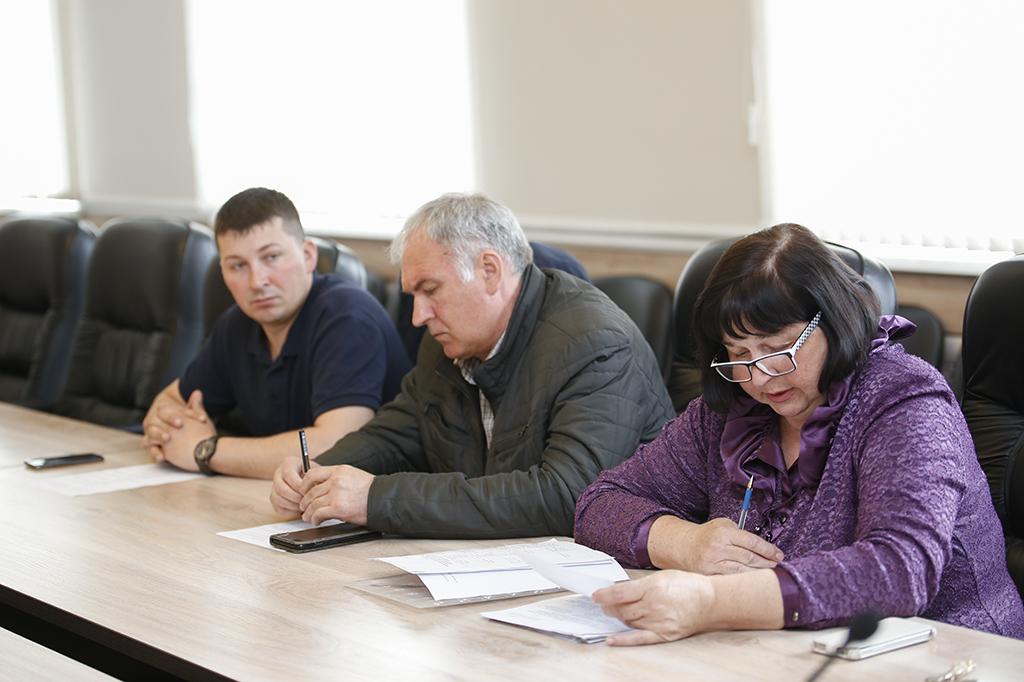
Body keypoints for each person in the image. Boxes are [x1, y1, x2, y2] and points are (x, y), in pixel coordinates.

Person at [575, 223, 1024, 644]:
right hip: (780, 649)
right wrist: (685, 543)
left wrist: (712, 602)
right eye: (739, 354)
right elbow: (600, 503)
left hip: (948, 651)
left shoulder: (904, 400)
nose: (761, 378)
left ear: (832, 321)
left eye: (776, 349)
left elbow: (898, 569)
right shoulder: (733, 409)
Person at [270, 192, 675, 537]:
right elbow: (397, 433)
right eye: (413, 296)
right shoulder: (448, 342)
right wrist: (320, 473)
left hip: (620, 572)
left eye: (430, 290)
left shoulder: (594, 343)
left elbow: (569, 496)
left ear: (489, 271)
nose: (418, 316)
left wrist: (376, 499)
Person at [142, 187, 411, 478]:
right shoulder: (236, 325)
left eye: (271, 257)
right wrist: (168, 431)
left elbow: (337, 447)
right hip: (282, 495)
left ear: (308, 256)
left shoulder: (348, 316)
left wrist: (205, 450)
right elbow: (169, 403)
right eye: (238, 266)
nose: (257, 281)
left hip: (380, 498)